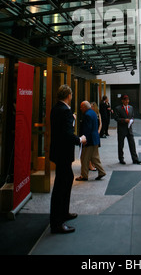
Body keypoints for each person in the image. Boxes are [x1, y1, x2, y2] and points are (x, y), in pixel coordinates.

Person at [49, 84, 86, 234]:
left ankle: (63, 213)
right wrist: (80, 139)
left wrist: (72, 120)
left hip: (58, 153)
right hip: (63, 153)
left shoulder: (56, 109)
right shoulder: (65, 111)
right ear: (69, 95)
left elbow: (60, 130)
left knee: (65, 180)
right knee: (61, 186)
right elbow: (67, 135)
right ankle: (57, 222)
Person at [75, 101, 106, 181]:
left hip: (89, 140)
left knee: (84, 158)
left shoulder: (87, 115)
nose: (80, 108)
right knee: (95, 157)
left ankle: (84, 175)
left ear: (85, 107)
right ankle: (102, 172)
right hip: (95, 139)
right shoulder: (92, 113)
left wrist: (84, 139)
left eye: (81, 107)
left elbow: (87, 129)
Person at [114, 94, 141, 165]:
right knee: (121, 145)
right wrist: (124, 120)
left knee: (132, 144)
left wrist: (132, 120)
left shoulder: (131, 108)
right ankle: (121, 159)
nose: (127, 101)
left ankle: (135, 159)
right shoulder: (118, 108)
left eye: (128, 100)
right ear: (122, 101)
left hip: (129, 129)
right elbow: (116, 118)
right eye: (125, 100)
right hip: (121, 130)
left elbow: (132, 116)